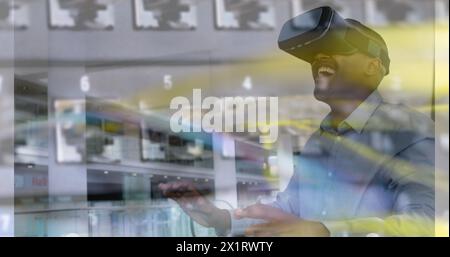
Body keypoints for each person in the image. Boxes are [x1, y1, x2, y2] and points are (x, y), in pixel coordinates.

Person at [159, 7, 435, 237]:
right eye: (314, 55)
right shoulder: (321, 139)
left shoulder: (407, 130)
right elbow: (289, 209)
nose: (318, 60)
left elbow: (424, 224)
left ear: (372, 67)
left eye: (336, 48)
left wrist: (326, 232)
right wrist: (221, 219)